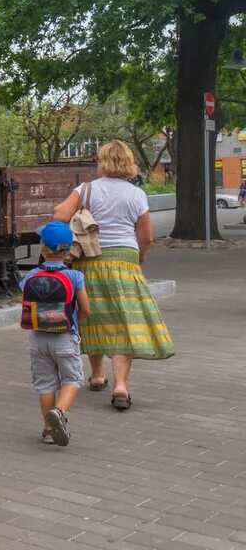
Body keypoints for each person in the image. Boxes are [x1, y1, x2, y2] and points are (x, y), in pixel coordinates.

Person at [52, 139, 174, 410]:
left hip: (90, 260)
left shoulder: (86, 190)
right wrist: (140, 256)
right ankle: (120, 385)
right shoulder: (136, 194)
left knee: (92, 317)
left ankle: (97, 375)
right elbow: (147, 236)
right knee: (124, 321)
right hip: (125, 261)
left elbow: (59, 214)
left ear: (102, 162)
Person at [20, 221, 89, 446]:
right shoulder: (75, 276)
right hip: (65, 337)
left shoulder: (31, 274)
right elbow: (85, 309)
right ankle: (59, 412)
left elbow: (25, 293)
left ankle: (48, 431)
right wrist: (75, 323)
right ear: (68, 250)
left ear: (42, 248)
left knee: (46, 384)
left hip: (38, 338)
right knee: (73, 378)